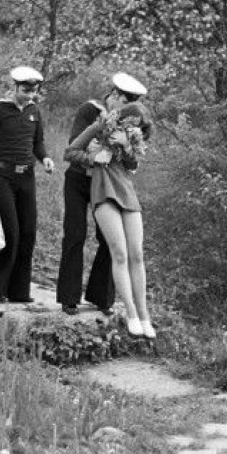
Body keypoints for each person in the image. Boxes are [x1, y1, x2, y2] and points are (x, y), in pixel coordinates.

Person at [64, 90, 156, 338]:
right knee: (113, 250)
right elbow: (70, 151)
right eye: (131, 117)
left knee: (136, 254)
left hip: (124, 189)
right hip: (98, 187)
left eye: (138, 122)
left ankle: (142, 315)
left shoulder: (133, 134)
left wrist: (126, 145)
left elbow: (133, 163)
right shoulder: (97, 123)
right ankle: (130, 313)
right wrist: (95, 157)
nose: (135, 124)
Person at [0, 66, 55, 303]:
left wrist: (45, 158)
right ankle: (0, 287)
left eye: (33, 91)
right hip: (2, 177)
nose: (29, 95)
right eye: (25, 90)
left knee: (28, 232)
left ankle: (20, 292)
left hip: (26, 177)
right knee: (11, 231)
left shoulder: (34, 111)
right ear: (14, 86)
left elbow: (37, 142)